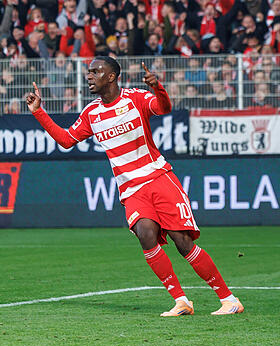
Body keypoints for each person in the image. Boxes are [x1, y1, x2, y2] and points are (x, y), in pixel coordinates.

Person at [25, 56, 244, 317]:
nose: (89, 76)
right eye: (89, 71)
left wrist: (158, 88)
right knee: (145, 234)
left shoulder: (136, 98)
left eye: (96, 71)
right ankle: (181, 301)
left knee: (182, 241)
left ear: (112, 76)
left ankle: (229, 299)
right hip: (131, 189)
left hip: (158, 178)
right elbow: (66, 140)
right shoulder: (91, 113)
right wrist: (39, 111)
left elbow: (162, 108)